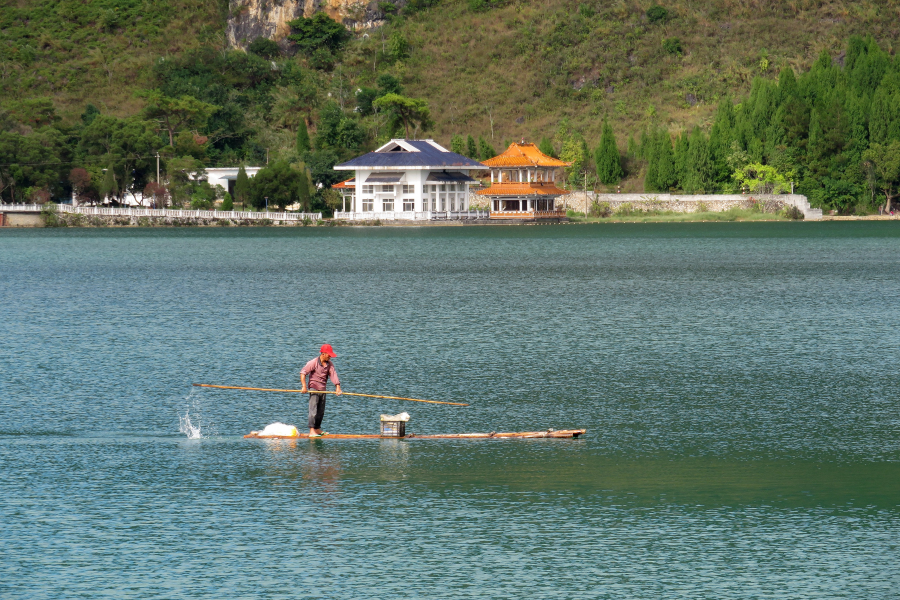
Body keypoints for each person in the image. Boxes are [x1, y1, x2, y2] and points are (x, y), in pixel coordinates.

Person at [300, 344, 342, 437]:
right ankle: (311, 431)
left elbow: (333, 375)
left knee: (321, 411)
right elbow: (303, 373)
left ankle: (317, 429)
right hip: (314, 388)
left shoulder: (329, 364)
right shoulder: (313, 362)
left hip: (323, 389)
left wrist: (337, 387)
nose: (330, 356)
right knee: (313, 410)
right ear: (323, 354)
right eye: (329, 354)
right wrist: (304, 386)